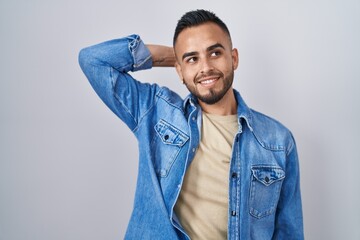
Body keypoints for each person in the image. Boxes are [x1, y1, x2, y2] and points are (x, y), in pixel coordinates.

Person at [79, 9, 304, 240]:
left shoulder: (277, 141)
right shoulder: (155, 112)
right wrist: (174, 57)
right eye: (193, 59)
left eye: (215, 53)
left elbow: (289, 233)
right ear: (179, 70)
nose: (205, 67)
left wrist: (188, 59)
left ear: (233, 58)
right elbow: (93, 60)